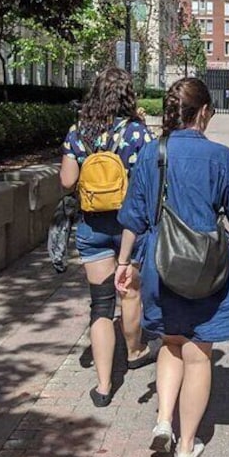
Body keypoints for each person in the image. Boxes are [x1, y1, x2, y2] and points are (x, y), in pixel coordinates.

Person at [114, 77, 229, 457]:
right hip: (208, 266)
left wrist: (124, 263)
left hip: (162, 263)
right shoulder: (221, 157)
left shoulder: (150, 154)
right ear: (204, 112)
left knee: (171, 343)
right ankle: (186, 446)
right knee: (198, 355)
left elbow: (133, 216)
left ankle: (164, 421)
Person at [59, 67, 157, 408]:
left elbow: (67, 182)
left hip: (92, 225)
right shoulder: (137, 134)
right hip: (130, 225)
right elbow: (148, 182)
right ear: (127, 95)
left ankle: (103, 387)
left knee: (100, 304)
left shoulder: (77, 132)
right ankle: (135, 351)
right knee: (129, 294)